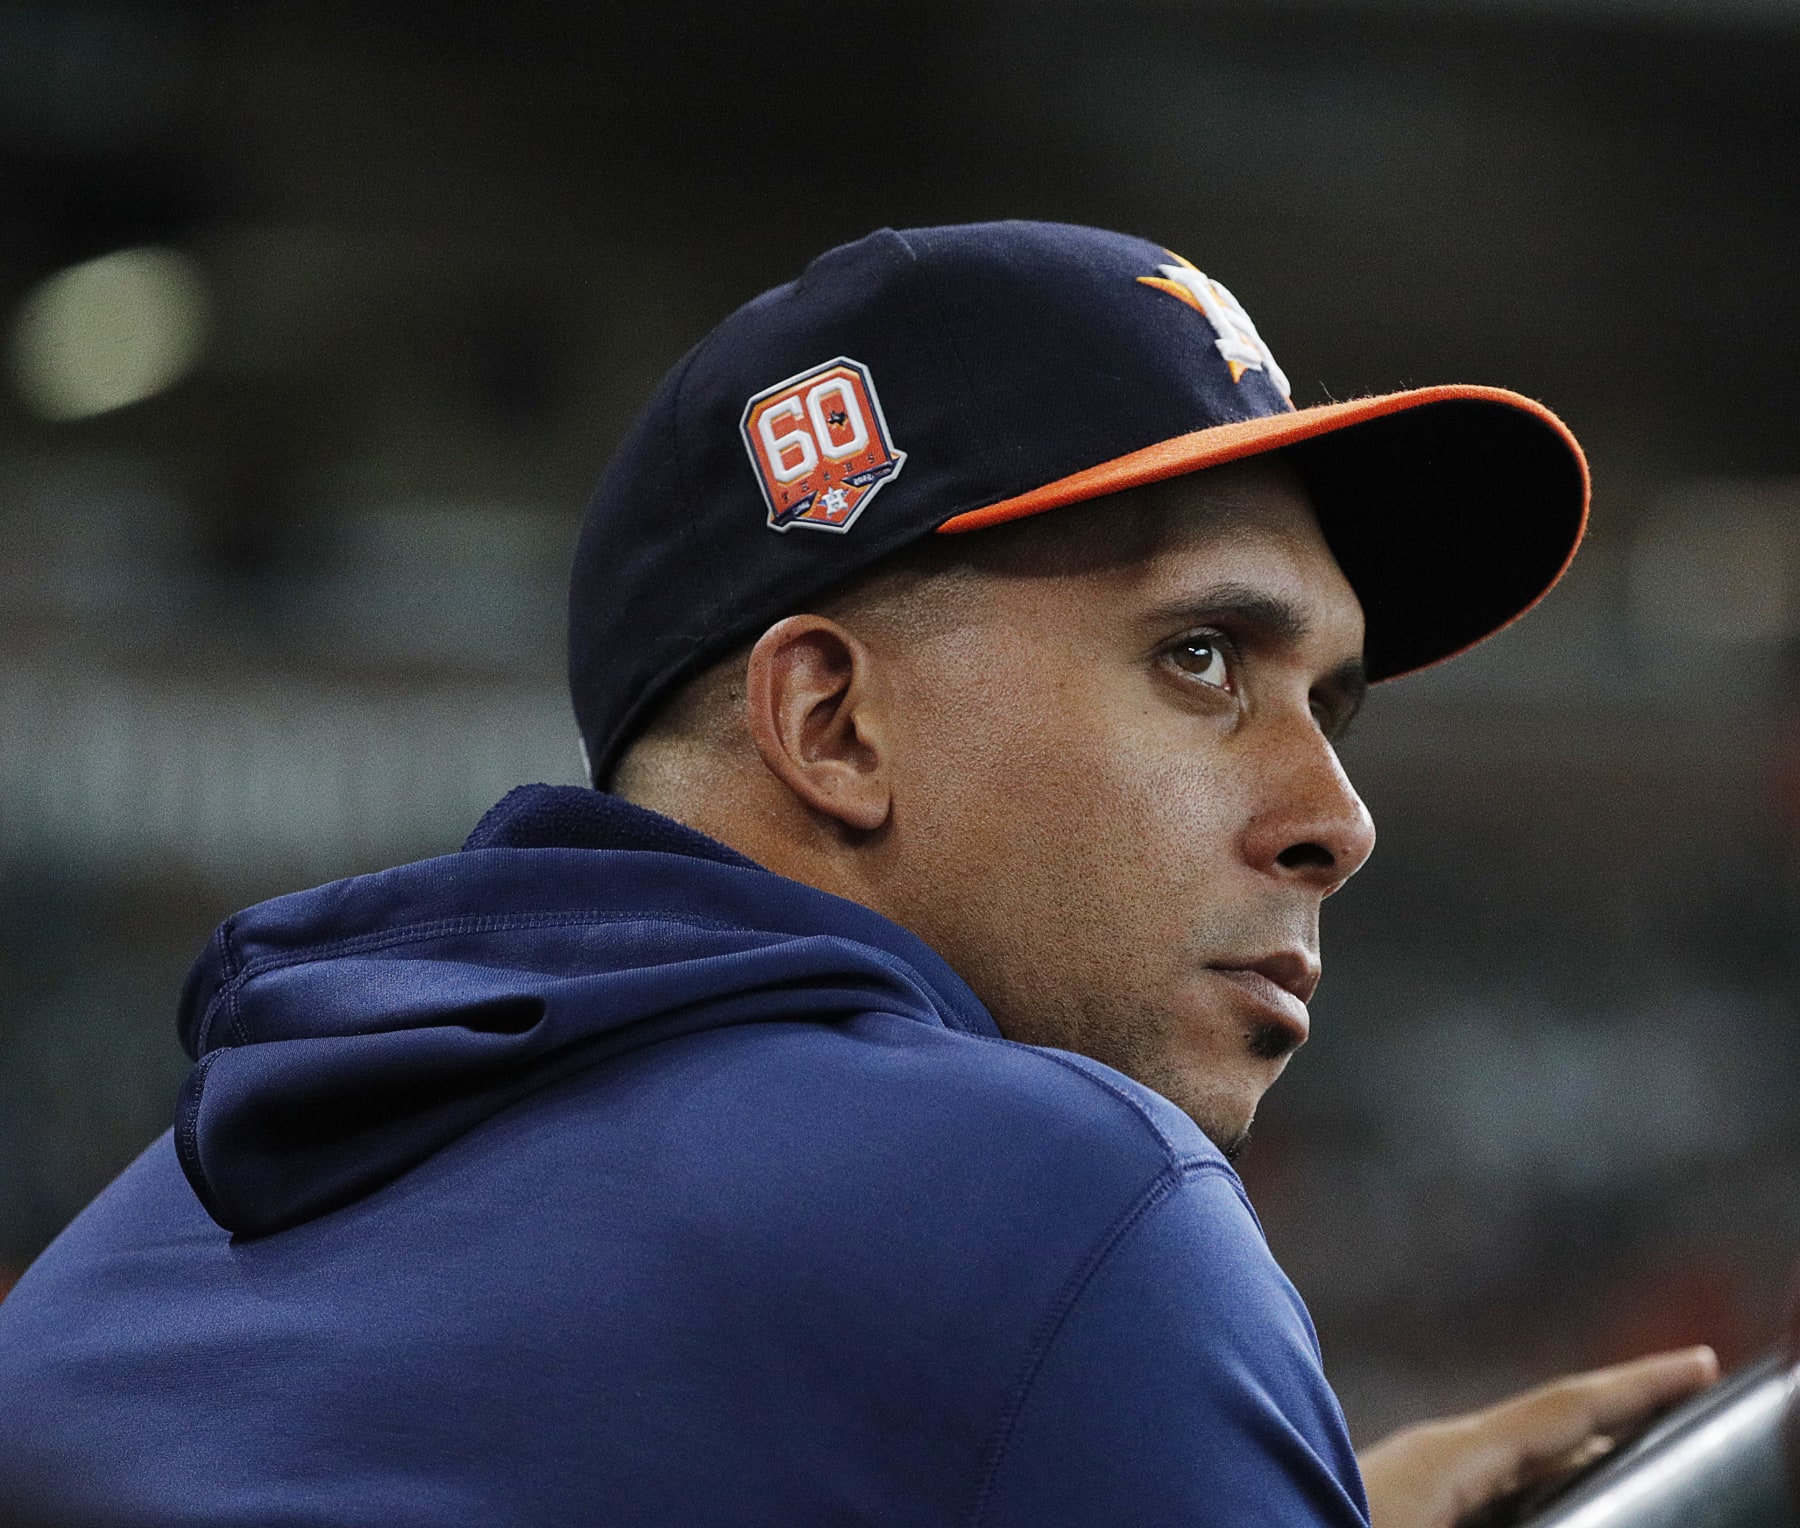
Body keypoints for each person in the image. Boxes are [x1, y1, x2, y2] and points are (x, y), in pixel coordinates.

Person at [0, 221, 1715, 1526]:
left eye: (1332, 706)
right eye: (1202, 660)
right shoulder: (1061, 1204)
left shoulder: (137, 1242)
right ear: (829, 722)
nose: (1333, 816)